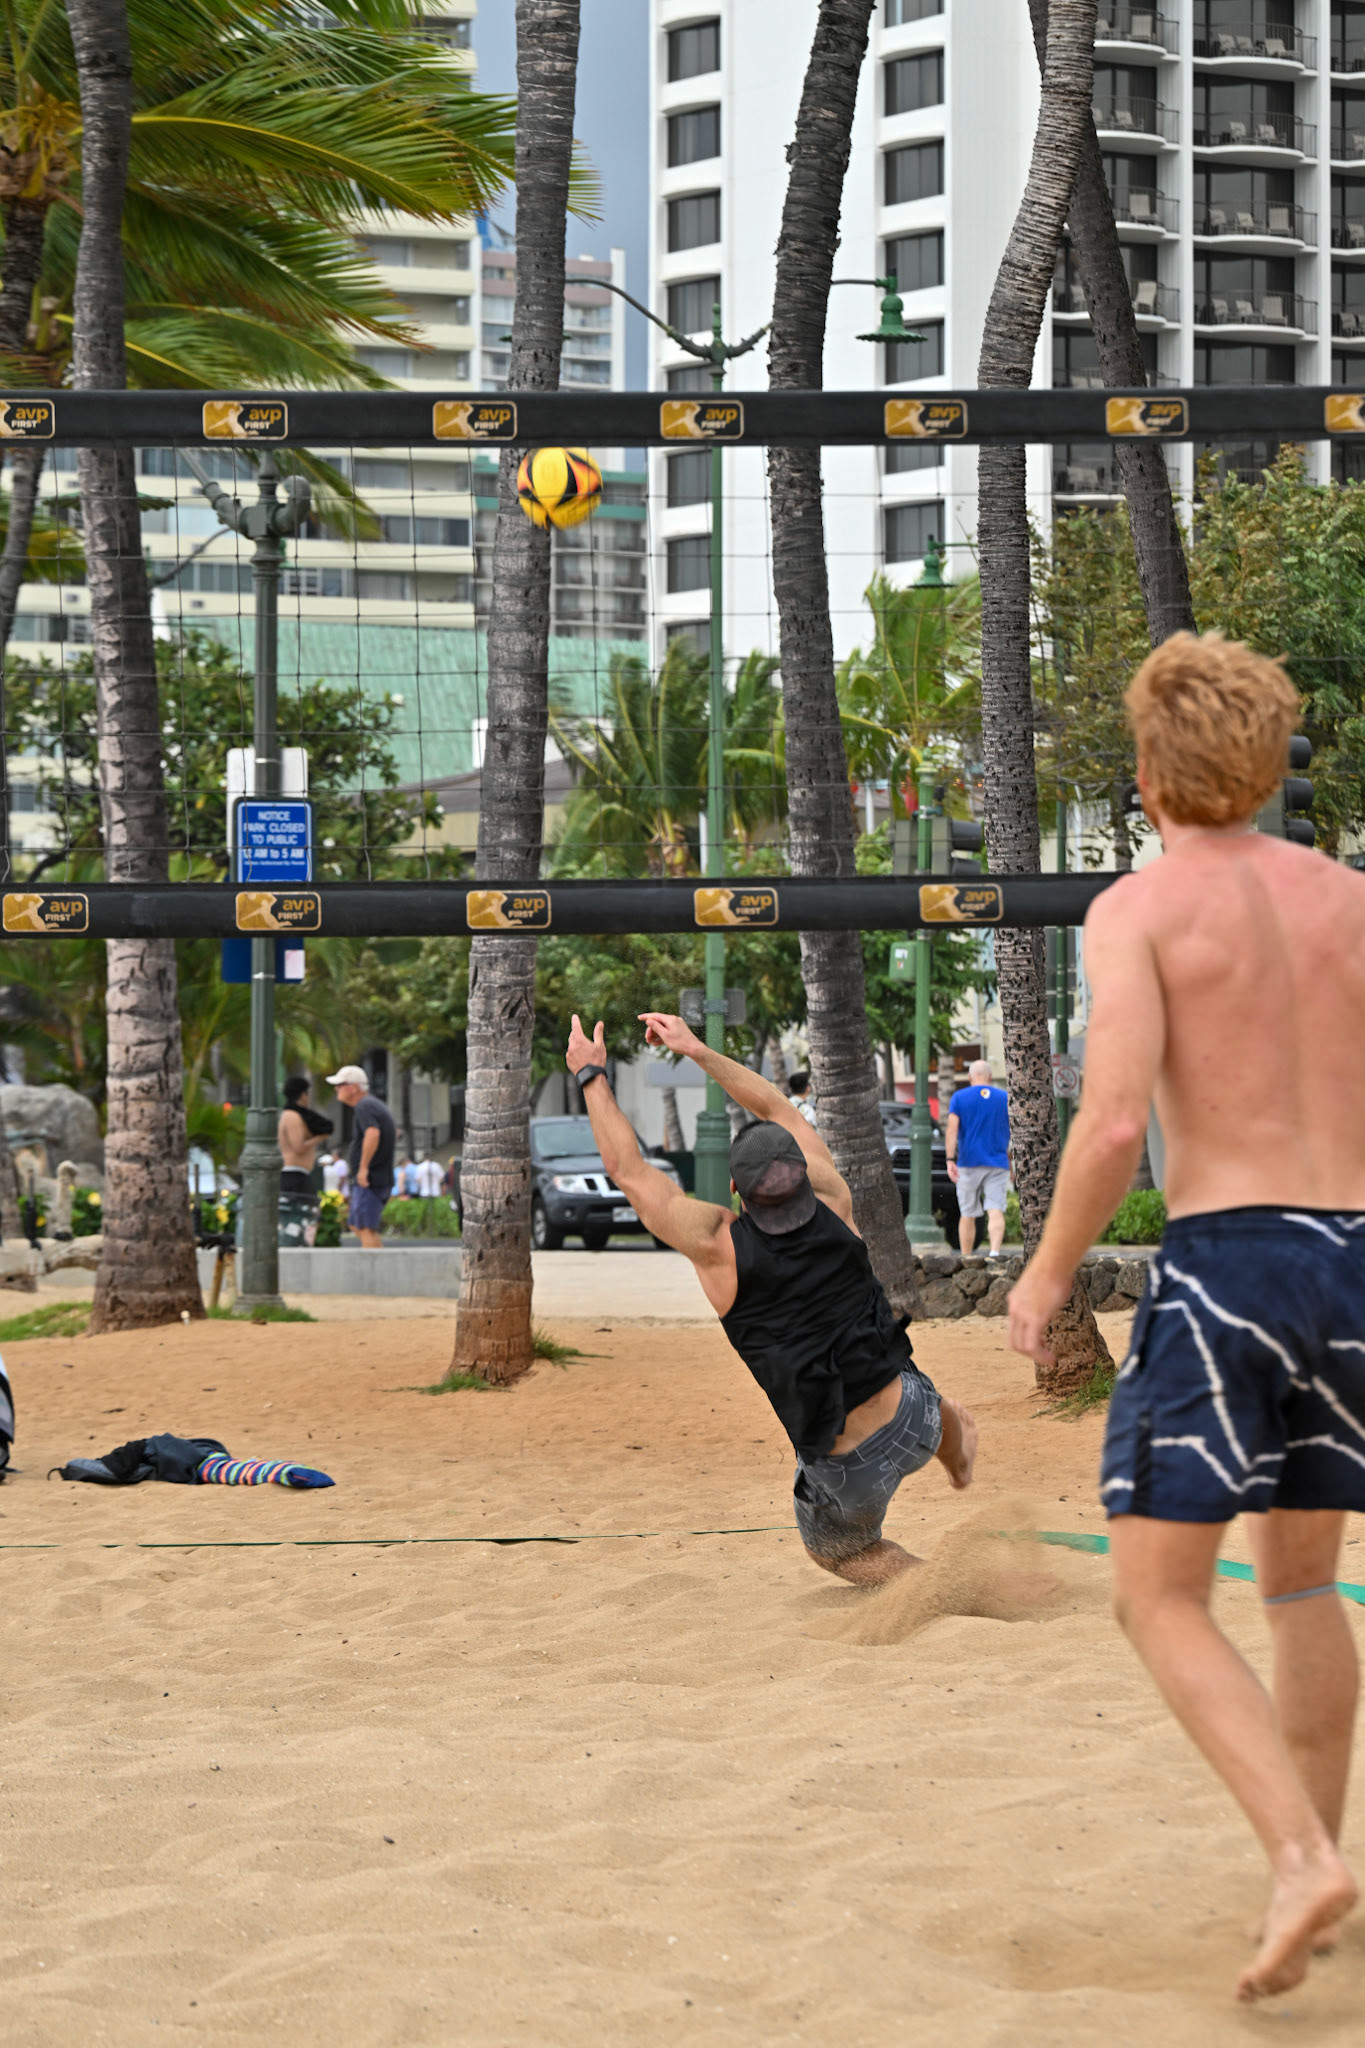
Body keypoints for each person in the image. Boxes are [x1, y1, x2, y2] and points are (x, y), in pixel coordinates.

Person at [1008, 632, 1363, 2002]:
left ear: (1149, 778)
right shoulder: (1349, 901)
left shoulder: (1140, 908)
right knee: (1301, 1585)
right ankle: (1310, 1872)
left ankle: (1299, 1858)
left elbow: (1110, 1126)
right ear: (1270, 768)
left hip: (1233, 1261)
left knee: (1156, 1596)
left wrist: (1045, 1275)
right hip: (1352, 1258)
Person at [566, 1008, 977, 1585]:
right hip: (913, 1416)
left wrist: (591, 1074)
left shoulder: (718, 1246)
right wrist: (696, 1049)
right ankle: (956, 1455)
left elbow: (628, 1171)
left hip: (847, 1469)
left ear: (736, 1188)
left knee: (838, 1550)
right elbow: (779, 1110)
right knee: (926, 1400)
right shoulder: (833, 1195)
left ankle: (937, 1587)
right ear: (801, 1172)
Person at [326, 1063, 396, 1250]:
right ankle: (379, 1261)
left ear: (353, 1087)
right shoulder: (370, 1105)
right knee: (357, 1224)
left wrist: (363, 1169)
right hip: (374, 1177)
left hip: (371, 1179)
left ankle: (375, 1265)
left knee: (364, 1227)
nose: (336, 1089)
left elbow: (372, 1133)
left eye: (340, 1085)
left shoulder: (364, 1105)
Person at [945, 1060, 1011, 1257]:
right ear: (990, 1076)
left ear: (969, 1077)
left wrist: (950, 1159)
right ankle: (994, 1253)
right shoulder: (1004, 1098)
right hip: (998, 1163)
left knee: (967, 1213)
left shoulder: (959, 1098)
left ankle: (967, 1258)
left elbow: (952, 1130)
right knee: (995, 1208)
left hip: (968, 1163)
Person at [277, 1077, 332, 1248]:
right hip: (293, 1174)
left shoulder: (291, 1115)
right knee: (299, 1219)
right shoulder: (292, 1116)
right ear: (302, 1095)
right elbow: (299, 1146)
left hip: (298, 1173)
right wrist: (320, 1137)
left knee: (305, 1218)